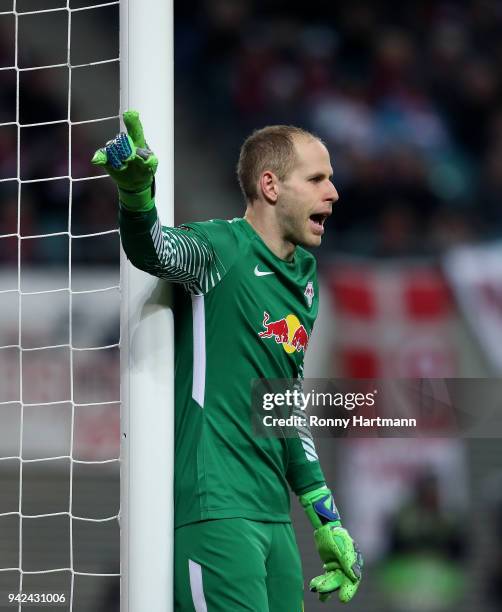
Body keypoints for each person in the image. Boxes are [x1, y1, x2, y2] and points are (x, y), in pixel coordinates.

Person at [92, 111, 363, 611]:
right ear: (271, 185)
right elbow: (155, 250)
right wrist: (135, 196)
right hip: (215, 510)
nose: (334, 192)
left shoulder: (304, 279)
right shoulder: (220, 249)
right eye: (318, 178)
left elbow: (284, 405)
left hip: (274, 520)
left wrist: (324, 516)